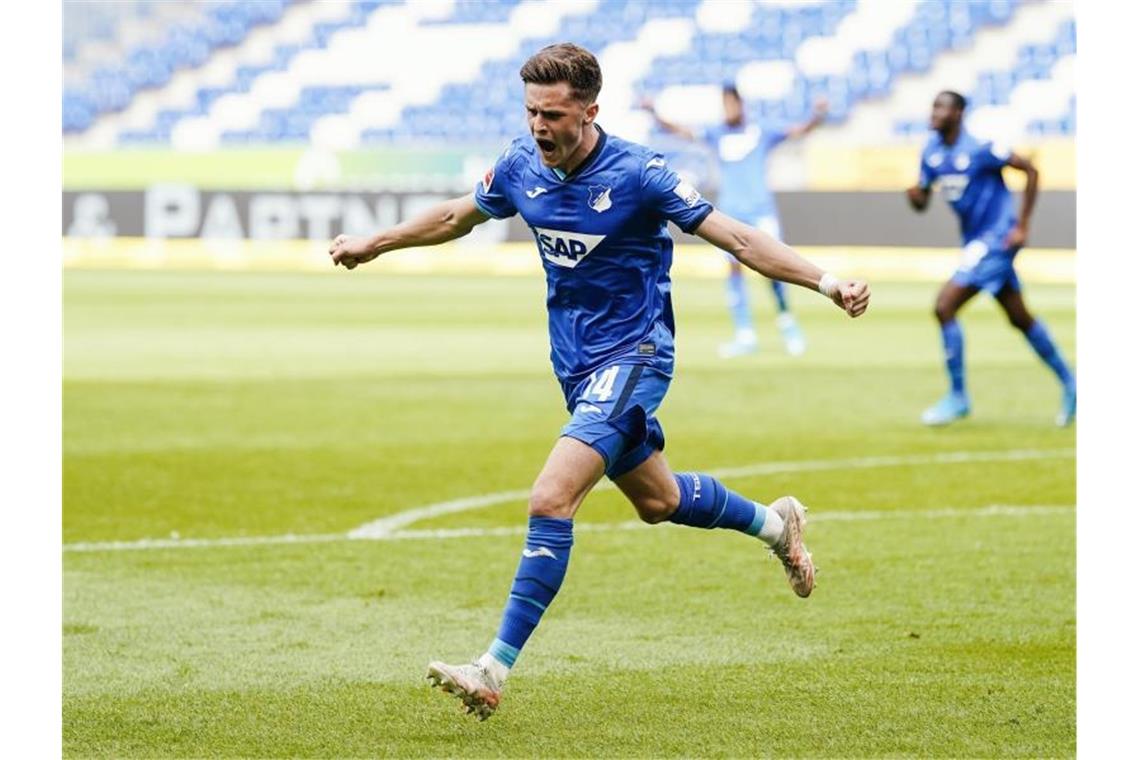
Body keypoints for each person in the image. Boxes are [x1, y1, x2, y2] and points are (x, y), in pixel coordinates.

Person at [329, 43, 870, 720]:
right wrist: (373, 244)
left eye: (552, 114)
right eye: (530, 112)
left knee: (551, 497)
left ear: (590, 110)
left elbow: (734, 237)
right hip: (577, 364)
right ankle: (775, 526)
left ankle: (491, 668)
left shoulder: (641, 173)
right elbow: (453, 217)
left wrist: (824, 281)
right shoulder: (522, 164)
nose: (538, 127)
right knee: (660, 500)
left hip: (637, 355)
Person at [906, 90, 1075, 427]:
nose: (933, 112)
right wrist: (915, 197)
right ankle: (1073, 385)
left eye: (941, 106)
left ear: (958, 113)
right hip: (975, 243)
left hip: (996, 240)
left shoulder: (981, 149)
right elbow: (922, 199)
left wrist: (1022, 225)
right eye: (933, 105)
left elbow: (1030, 170)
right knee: (1020, 318)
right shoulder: (932, 152)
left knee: (944, 306)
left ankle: (958, 397)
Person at [642, 85, 828, 357]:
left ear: (741, 104)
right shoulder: (717, 134)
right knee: (734, 272)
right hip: (730, 214)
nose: (728, 109)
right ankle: (745, 334)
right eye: (724, 104)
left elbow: (798, 131)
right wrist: (654, 114)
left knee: (775, 269)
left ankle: (788, 326)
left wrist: (817, 116)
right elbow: (682, 131)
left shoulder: (762, 131)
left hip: (761, 211)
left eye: (731, 103)